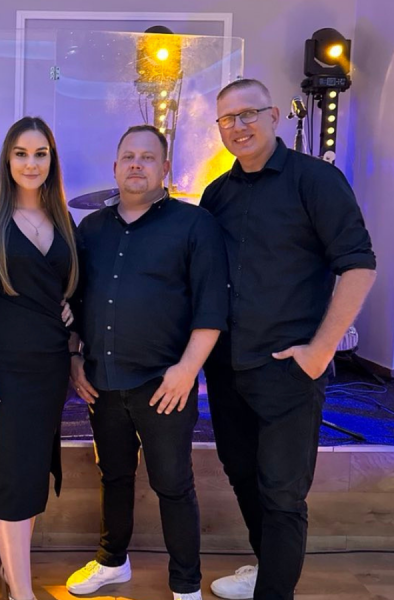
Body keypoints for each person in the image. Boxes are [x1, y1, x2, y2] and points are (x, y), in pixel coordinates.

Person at [201, 79, 376, 600]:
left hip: (288, 368)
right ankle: (268, 567)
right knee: (241, 474)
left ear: (274, 115)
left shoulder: (316, 180)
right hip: (228, 368)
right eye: (227, 119)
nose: (239, 126)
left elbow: (359, 265)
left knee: (282, 493)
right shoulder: (217, 194)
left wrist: (321, 351)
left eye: (248, 114)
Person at [65, 125, 229, 600]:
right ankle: (111, 561)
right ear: (116, 167)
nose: (137, 164)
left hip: (165, 385)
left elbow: (212, 308)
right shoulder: (91, 229)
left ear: (165, 168)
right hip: (102, 381)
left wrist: (186, 371)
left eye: (148, 157)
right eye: (129, 157)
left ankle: (186, 585)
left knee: (173, 484)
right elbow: (76, 303)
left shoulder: (194, 225)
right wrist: (75, 357)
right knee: (113, 476)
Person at [0, 116, 76, 600]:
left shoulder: (64, 220)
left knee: (30, 475)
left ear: (52, 159)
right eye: (21, 153)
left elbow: (68, 288)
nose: (31, 163)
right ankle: (22, 591)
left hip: (50, 368)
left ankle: (13, 573)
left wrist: (70, 311)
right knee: (10, 476)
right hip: (1, 369)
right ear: (6, 160)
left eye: (40, 153)